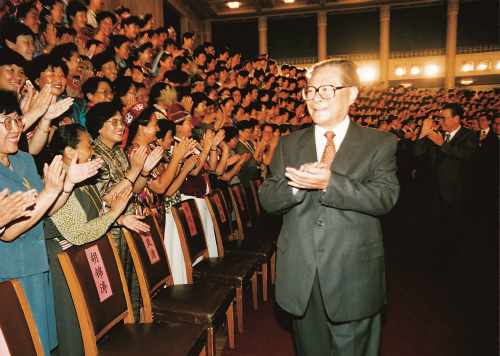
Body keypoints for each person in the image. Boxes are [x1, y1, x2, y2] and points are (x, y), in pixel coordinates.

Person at [259, 59, 399, 356]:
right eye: (310, 91)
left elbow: (385, 197)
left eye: (326, 90)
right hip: (301, 275)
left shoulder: (379, 143)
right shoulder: (288, 143)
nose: (315, 98)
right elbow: (268, 199)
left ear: (352, 94)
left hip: (353, 275)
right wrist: (296, 185)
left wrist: (329, 182)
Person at [0, 90, 102, 356]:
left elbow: (43, 212)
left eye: (17, 121)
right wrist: (49, 191)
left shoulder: (22, 159)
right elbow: (8, 232)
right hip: (11, 274)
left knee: (42, 346)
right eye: (5, 122)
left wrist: (66, 185)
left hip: (38, 264)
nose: (15, 129)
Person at [44, 124, 147, 356]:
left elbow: (97, 207)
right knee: (75, 328)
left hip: (86, 256)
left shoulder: (83, 177)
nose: (93, 151)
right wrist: (113, 215)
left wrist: (119, 220)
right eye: (88, 145)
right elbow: (78, 233)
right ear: (70, 152)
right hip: (66, 261)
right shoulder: (57, 179)